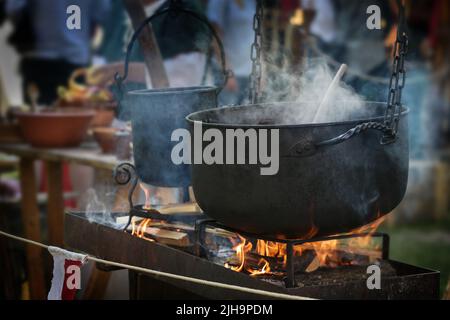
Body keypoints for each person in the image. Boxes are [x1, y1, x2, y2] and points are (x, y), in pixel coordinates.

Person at [5, 0, 110, 105]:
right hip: (76, 60)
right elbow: (100, 13)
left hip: (39, 61)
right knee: (76, 117)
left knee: (38, 116)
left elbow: (14, 7)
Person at [207, 0, 256, 105]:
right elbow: (216, 39)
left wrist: (262, 70)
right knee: (226, 113)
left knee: (247, 114)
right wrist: (228, 73)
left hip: (249, 71)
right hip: (228, 71)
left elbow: (256, 36)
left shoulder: (250, 2)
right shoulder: (218, 2)